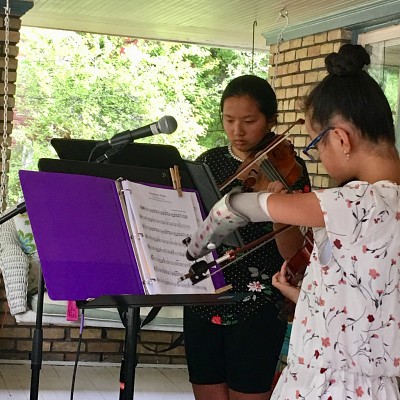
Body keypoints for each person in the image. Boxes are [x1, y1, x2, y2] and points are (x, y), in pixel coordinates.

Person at [186, 45, 400, 399]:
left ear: (341, 138)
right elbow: (370, 303)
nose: (316, 156)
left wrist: (224, 213)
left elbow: (250, 206)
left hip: (331, 386)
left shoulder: (358, 201)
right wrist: (303, 295)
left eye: (315, 144)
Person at [183, 74, 311, 400]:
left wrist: (277, 210)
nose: (237, 131)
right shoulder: (208, 163)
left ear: (272, 121)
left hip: (260, 300)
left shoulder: (287, 169)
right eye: (229, 120)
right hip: (206, 292)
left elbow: (292, 251)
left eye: (249, 121)